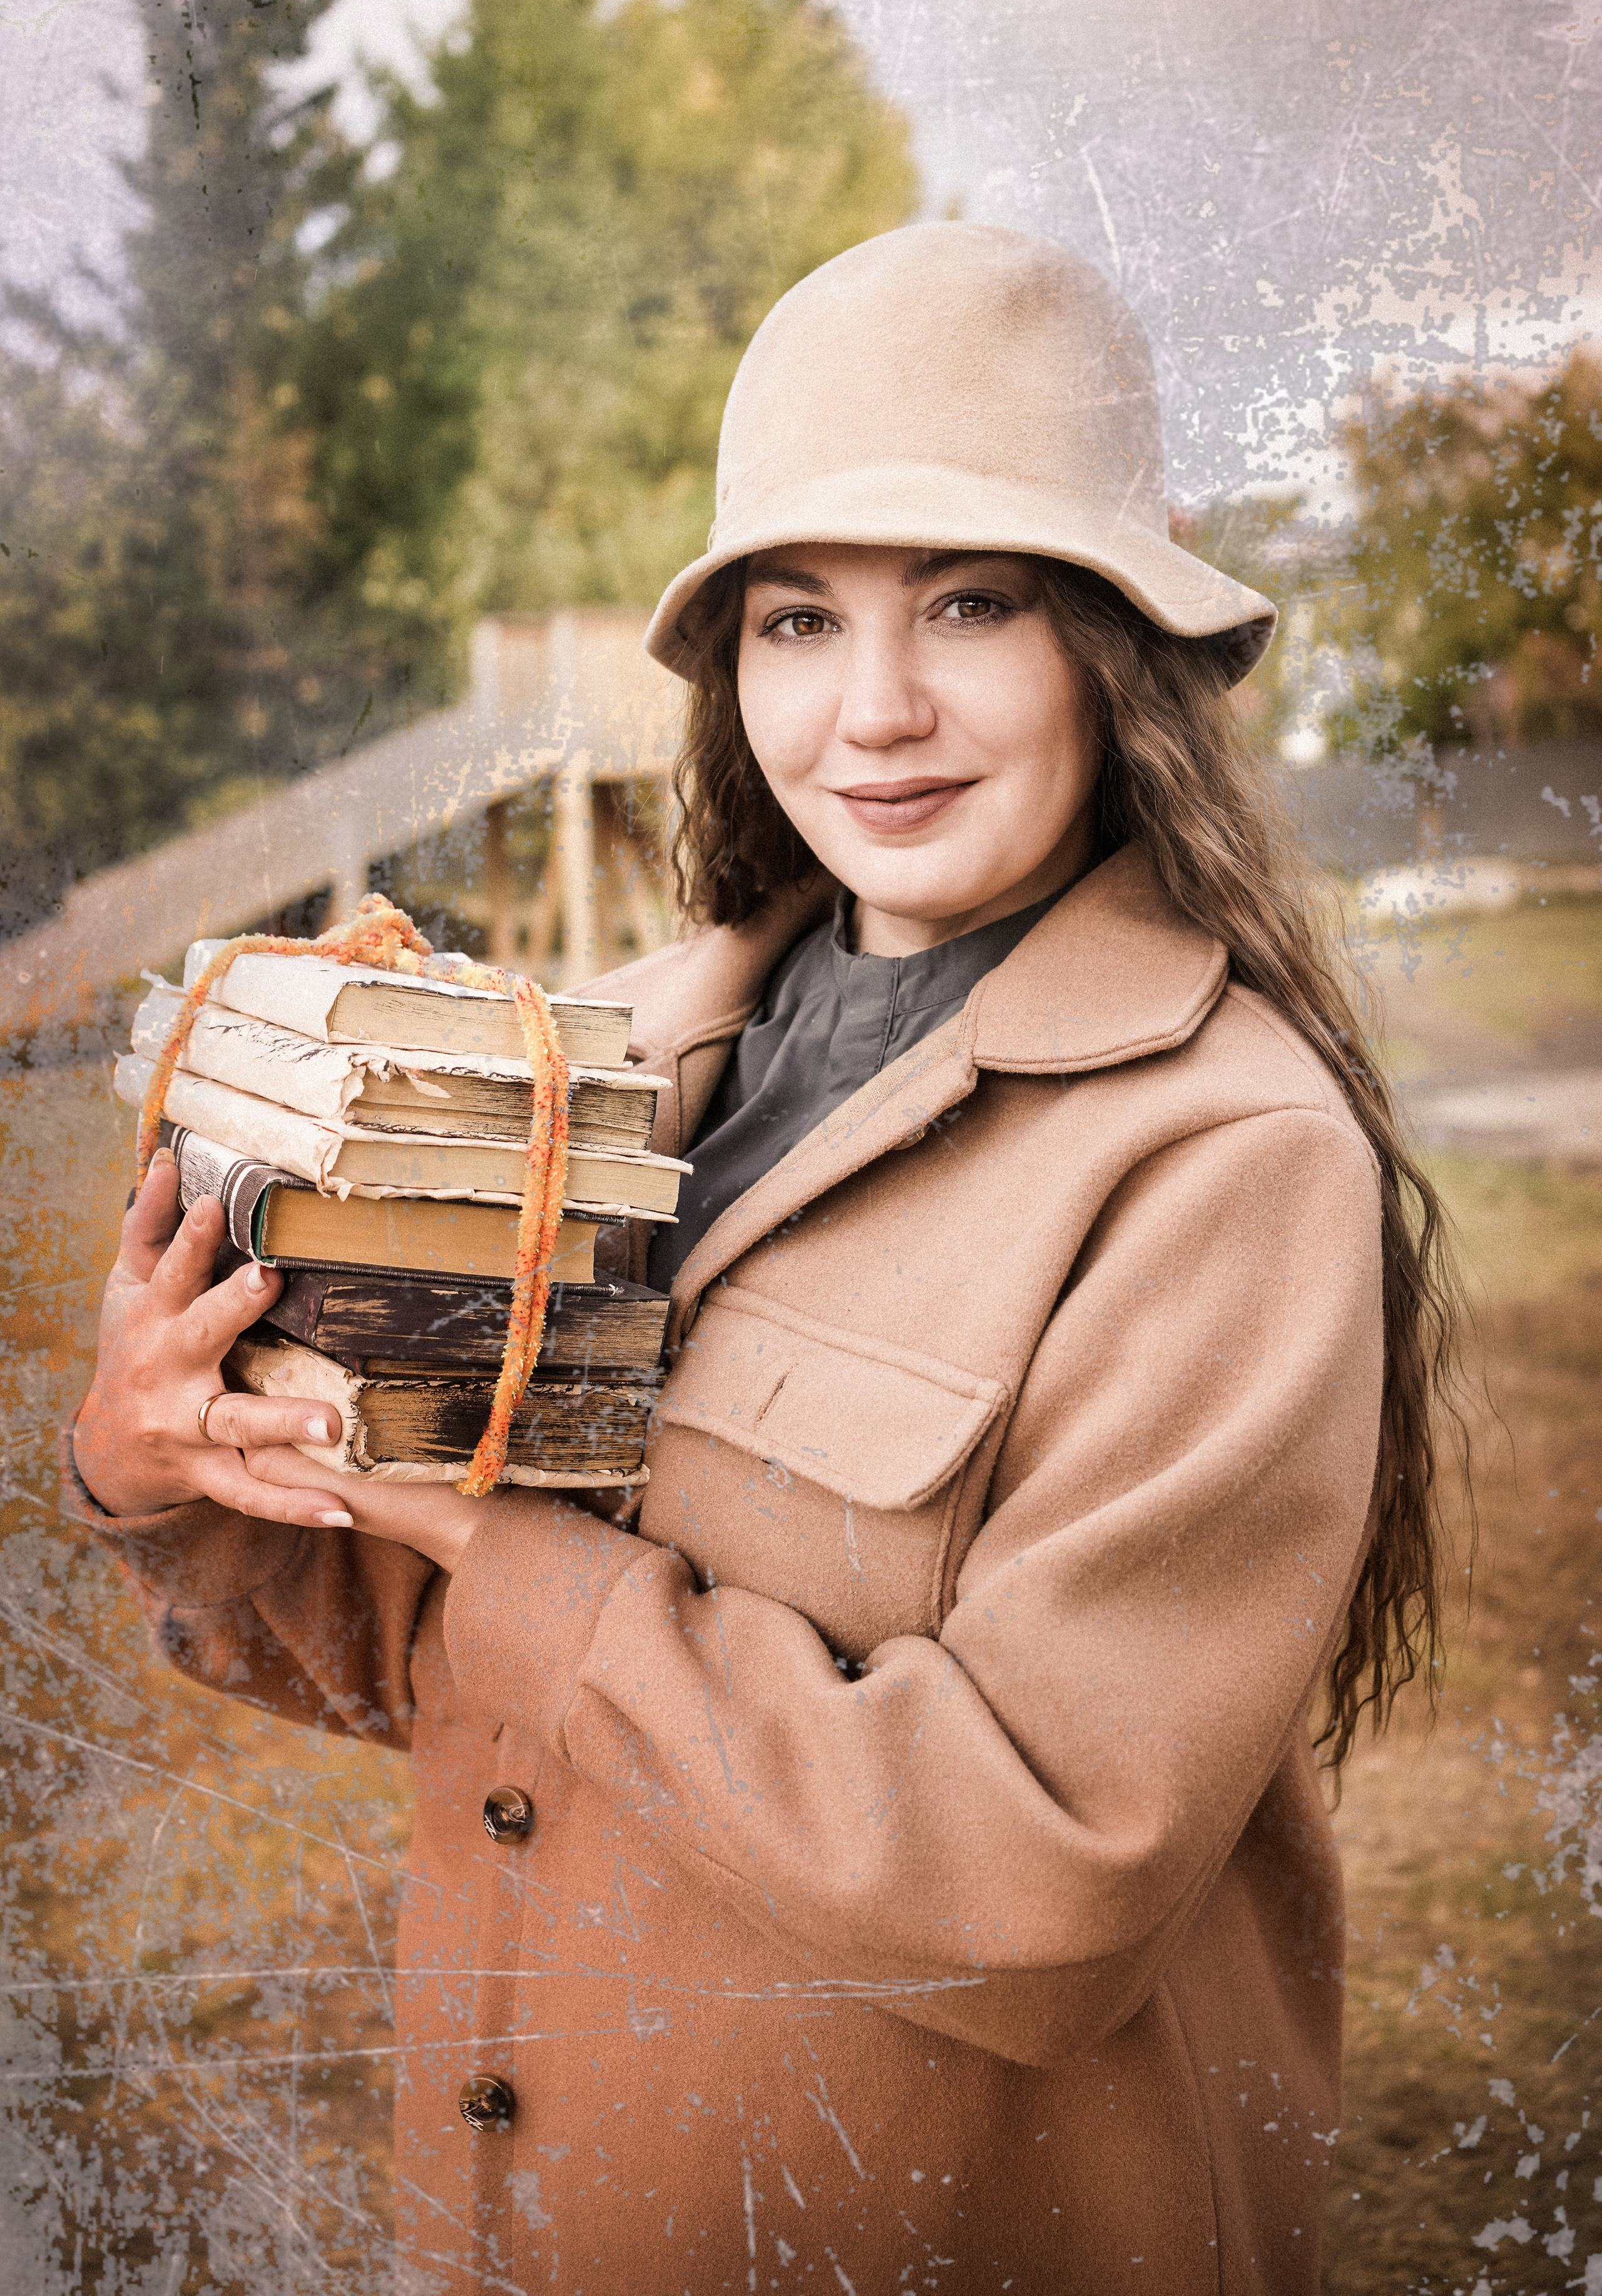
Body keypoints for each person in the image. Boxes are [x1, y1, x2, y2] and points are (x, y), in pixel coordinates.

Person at [68, 223, 1457, 2294]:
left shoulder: (1222, 1160)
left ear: (1113, 646)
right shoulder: (607, 1067)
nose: (874, 709)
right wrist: (175, 1468)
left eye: (970, 604)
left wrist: (499, 1555)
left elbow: (1037, 1873)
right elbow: (427, 1666)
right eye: (800, 620)